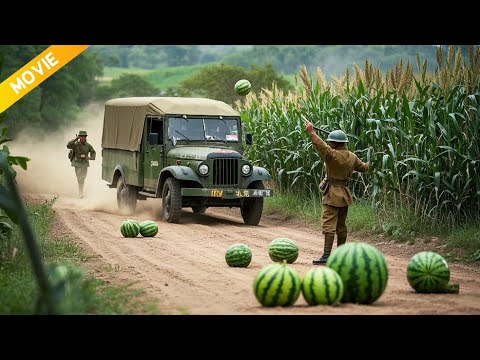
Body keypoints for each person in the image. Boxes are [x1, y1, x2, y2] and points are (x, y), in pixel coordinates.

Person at [304, 120, 370, 265]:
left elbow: (321, 146)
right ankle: (342, 256)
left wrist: (311, 131)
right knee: (341, 226)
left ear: (335, 143)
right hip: (344, 195)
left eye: (331, 142)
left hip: (332, 194)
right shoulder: (352, 157)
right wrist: (371, 161)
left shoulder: (331, 155)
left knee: (328, 225)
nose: (330, 144)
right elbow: (364, 168)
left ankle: (327, 256)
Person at [67, 130, 96, 198]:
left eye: (84, 136)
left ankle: (81, 190)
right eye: (81, 136)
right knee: (80, 178)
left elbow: (93, 152)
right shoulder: (75, 144)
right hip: (77, 163)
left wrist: (90, 158)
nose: (83, 138)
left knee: (83, 178)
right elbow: (68, 145)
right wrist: (75, 139)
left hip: (85, 163)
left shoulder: (88, 146)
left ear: (86, 137)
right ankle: (81, 192)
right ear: (79, 137)